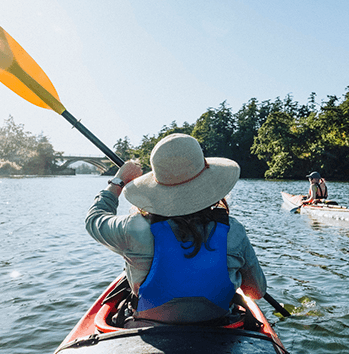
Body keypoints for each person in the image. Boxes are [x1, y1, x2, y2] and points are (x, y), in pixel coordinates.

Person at [85, 133, 267, 326]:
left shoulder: (132, 228)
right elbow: (256, 292)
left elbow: (94, 219)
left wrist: (118, 181)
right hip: (217, 325)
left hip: (148, 326)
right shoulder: (234, 231)